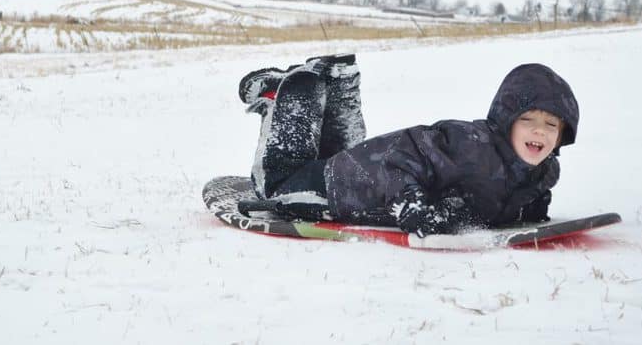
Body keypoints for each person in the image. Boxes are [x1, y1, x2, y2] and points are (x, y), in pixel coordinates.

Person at [238, 54, 578, 236]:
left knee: (330, 158)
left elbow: (492, 197)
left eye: (551, 125)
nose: (540, 132)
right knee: (276, 184)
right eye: (528, 120)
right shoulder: (471, 146)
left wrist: (527, 210)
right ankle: (287, 93)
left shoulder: (543, 174)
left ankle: (337, 76)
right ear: (506, 122)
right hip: (340, 191)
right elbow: (404, 157)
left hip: (354, 175)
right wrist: (412, 205)